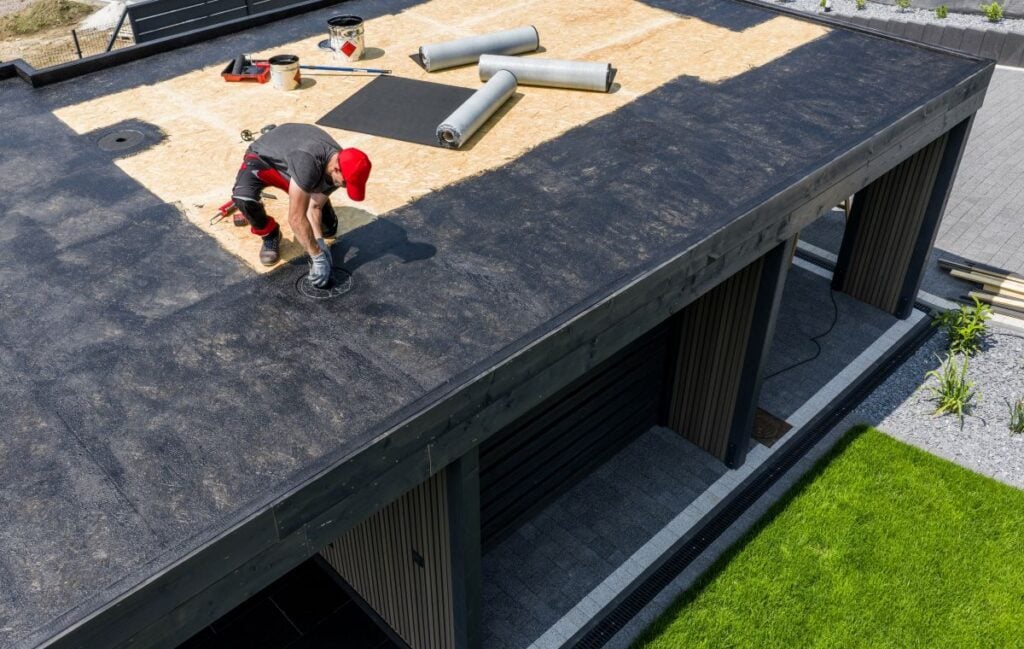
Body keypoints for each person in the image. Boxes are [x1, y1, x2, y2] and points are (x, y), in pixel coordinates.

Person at [231, 123, 371, 287]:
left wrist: (319, 241)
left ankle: (309, 192)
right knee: (243, 199)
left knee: (329, 230)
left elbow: (314, 207)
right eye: (346, 184)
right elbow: (296, 218)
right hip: (263, 160)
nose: (345, 187)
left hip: (297, 165)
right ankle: (270, 234)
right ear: (336, 169)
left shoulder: (342, 164)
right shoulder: (309, 161)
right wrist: (317, 256)